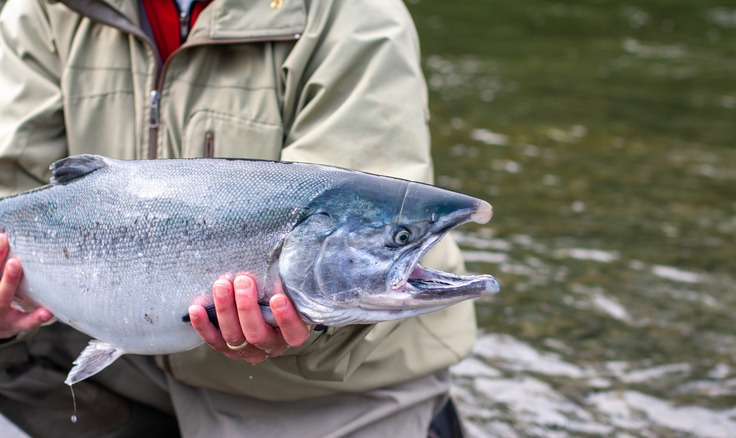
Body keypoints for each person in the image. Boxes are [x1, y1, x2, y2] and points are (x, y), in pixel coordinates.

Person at [0, 0, 477, 437]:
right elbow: (11, 187)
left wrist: (304, 326)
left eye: (401, 238)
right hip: (120, 355)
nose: (399, 238)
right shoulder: (45, 9)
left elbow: (369, 204)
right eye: (400, 237)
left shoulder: (351, 12)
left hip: (326, 390)